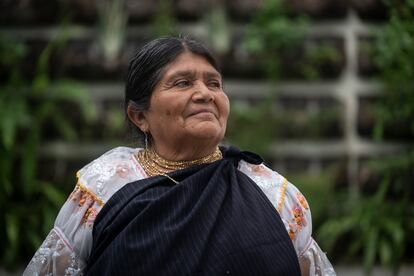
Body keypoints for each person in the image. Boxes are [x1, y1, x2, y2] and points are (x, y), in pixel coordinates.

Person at [24, 36, 336, 276]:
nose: (205, 94)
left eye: (214, 83)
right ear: (139, 115)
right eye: (183, 83)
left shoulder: (272, 193)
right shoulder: (106, 185)